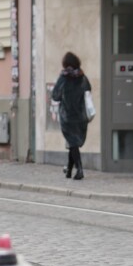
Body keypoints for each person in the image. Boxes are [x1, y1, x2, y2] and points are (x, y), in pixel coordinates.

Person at [51, 51, 91, 180]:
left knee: (72, 143)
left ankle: (79, 170)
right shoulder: (82, 76)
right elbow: (88, 89)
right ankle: (69, 170)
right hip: (80, 116)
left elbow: (55, 95)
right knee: (72, 143)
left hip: (67, 116)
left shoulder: (64, 77)